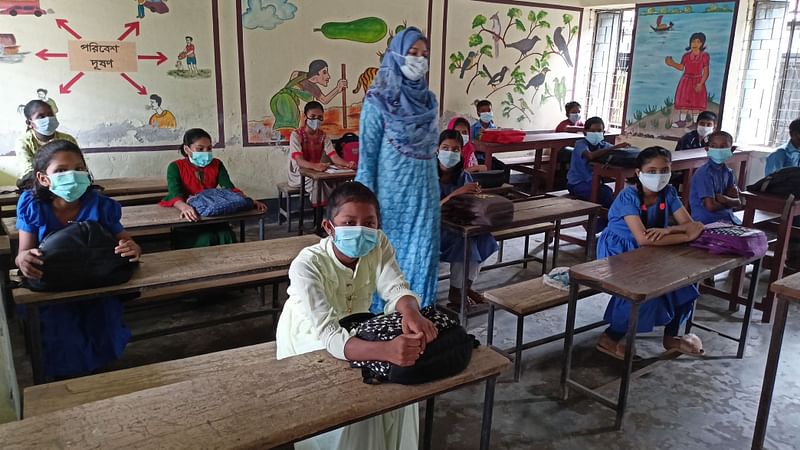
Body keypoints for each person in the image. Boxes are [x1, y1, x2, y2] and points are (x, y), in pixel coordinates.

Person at [277, 181, 437, 450]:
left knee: (403, 390)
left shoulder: (379, 244)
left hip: (357, 329)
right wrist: (384, 351)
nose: (360, 230)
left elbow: (394, 285)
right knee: (361, 406)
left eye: (369, 223)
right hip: (309, 339)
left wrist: (411, 311)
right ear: (329, 227)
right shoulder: (307, 264)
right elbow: (328, 334)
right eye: (349, 222)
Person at [15, 140, 141, 379]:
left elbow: (127, 241)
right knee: (61, 337)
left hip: (96, 281)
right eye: (61, 171)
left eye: (79, 168)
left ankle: (101, 374)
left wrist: (131, 248)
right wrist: (23, 259)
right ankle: (65, 382)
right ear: (43, 178)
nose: (72, 175)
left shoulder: (101, 205)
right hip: (54, 287)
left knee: (104, 329)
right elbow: (23, 251)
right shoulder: (33, 205)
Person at [355, 26, 440, 311]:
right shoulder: (377, 102)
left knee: (424, 255)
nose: (419, 59)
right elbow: (366, 160)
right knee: (388, 260)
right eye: (412, 53)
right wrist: (363, 212)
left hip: (426, 197)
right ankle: (385, 321)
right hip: (389, 202)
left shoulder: (429, 102)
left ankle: (421, 315)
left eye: (424, 54)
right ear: (396, 55)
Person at [595, 146, 705, 359]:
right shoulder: (629, 197)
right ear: (638, 173)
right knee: (645, 292)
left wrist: (670, 230)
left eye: (664, 170)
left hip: (654, 248)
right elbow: (643, 238)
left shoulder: (669, 193)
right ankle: (610, 337)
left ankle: (671, 336)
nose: (659, 176)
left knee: (683, 284)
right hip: (619, 251)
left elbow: (690, 225)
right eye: (652, 171)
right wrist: (687, 235)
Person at [159, 128, 266, 248]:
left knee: (226, 236)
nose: (206, 152)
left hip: (213, 213)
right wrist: (184, 207)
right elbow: (175, 193)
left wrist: (248, 200)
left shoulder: (217, 164)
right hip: (191, 219)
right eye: (200, 149)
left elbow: (229, 188)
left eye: (209, 148)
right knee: (206, 239)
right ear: (187, 149)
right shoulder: (175, 167)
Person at [437, 130, 497, 308]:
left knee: (484, 238)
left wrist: (476, 196)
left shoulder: (463, 176)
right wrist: (456, 194)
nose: (450, 153)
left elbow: (471, 204)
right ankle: (456, 292)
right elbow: (427, 211)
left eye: (455, 149)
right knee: (464, 243)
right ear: (437, 150)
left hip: (458, 224)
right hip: (433, 228)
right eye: (445, 148)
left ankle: (465, 287)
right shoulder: (426, 176)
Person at [566, 116, 631, 230]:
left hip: (594, 183)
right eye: (592, 131)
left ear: (604, 132)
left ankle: (599, 225)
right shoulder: (580, 143)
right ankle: (599, 226)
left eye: (599, 131)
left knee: (614, 197)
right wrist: (614, 147)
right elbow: (590, 155)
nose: (596, 133)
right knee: (606, 194)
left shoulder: (603, 145)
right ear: (585, 132)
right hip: (577, 184)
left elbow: (618, 151)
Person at [288, 101, 356, 206]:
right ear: (305, 116)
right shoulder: (296, 135)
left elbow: (334, 156)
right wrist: (315, 166)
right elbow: (299, 161)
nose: (316, 120)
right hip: (299, 173)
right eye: (313, 116)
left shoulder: (323, 136)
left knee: (338, 182)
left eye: (320, 117)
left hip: (316, 171)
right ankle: (320, 213)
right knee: (319, 183)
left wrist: (348, 164)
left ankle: (336, 210)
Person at [270, 59, 348, 133]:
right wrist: (337, 89)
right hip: (286, 101)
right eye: (324, 72)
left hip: (276, 99)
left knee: (280, 124)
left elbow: (294, 74)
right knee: (289, 125)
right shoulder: (312, 87)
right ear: (315, 74)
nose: (328, 76)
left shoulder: (302, 75)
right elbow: (324, 100)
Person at [15, 99, 77, 180]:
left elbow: (78, 165)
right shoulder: (23, 142)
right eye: (41, 116)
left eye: (50, 115)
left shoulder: (67, 139)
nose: (48, 119)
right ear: (29, 123)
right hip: (36, 183)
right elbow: (28, 172)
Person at [689, 131, 741, 224]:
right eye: (714, 146)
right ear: (707, 149)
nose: (719, 150)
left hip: (728, 220)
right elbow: (711, 206)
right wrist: (729, 201)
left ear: (732, 149)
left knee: (757, 236)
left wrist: (724, 199)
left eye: (723, 146)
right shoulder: (704, 173)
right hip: (707, 223)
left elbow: (738, 203)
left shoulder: (728, 172)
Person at [665, 32, 710, 128]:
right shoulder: (686, 56)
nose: (695, 44)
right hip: (686, 81)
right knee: (684, 102)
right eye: (693, 41)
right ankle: (682, 121)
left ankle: (695, 123)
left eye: (698, 42)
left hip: (697, 81)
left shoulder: (704, 56)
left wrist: (701, 83)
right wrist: (672, 63)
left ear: (702, 44)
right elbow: (681, 67)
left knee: (696, 103)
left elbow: (706, 72)